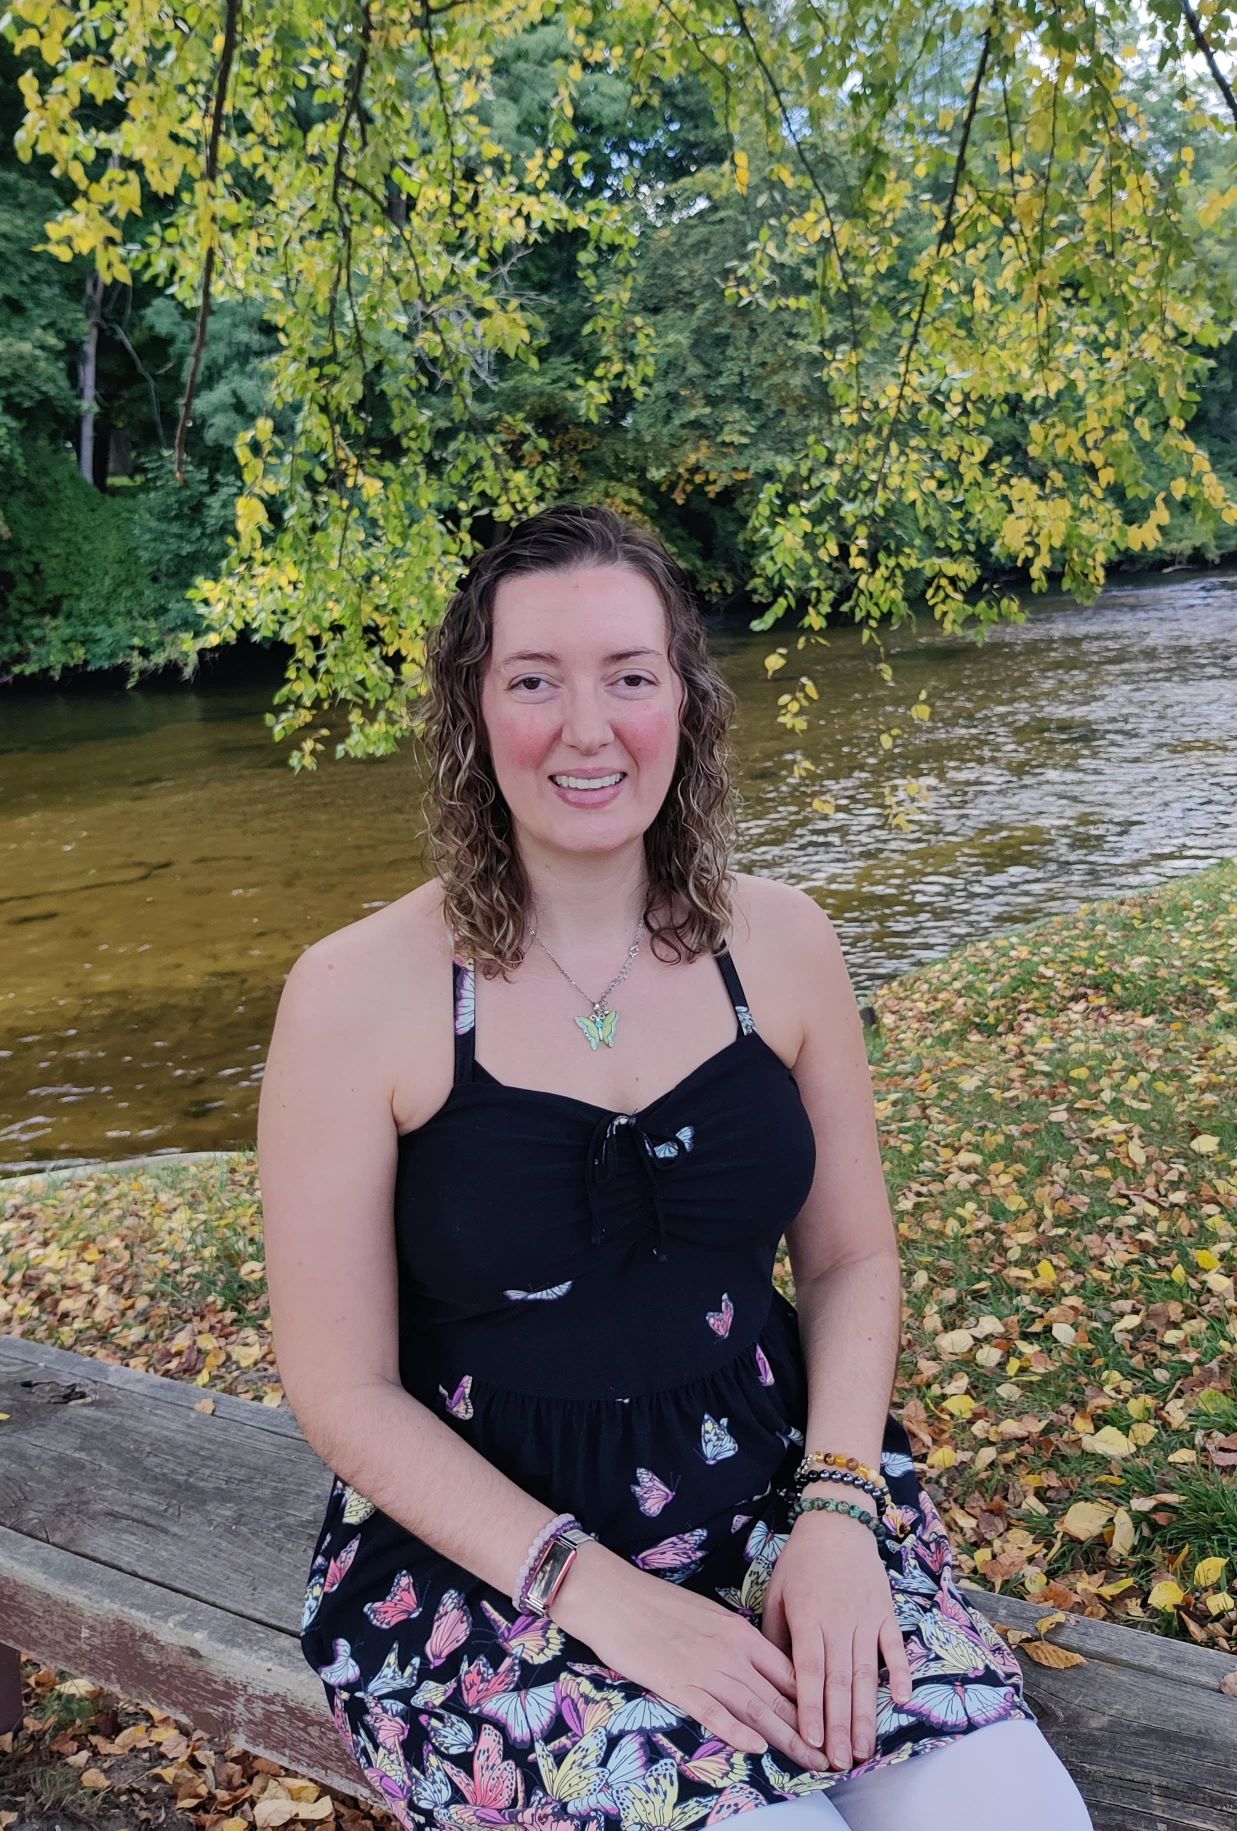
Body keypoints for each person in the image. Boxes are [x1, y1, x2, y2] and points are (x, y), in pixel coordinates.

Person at [259, 505, 1093, 1830]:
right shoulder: (356, 995)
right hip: (494, 1567)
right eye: (535, 680)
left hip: (777, 1489)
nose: (586, 728)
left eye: (628, 677)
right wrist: (598, 1596)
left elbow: (849, 1253)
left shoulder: (784, 945)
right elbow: (339, 1385)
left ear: (685, 704)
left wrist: (834, 1517)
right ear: (473, 713)